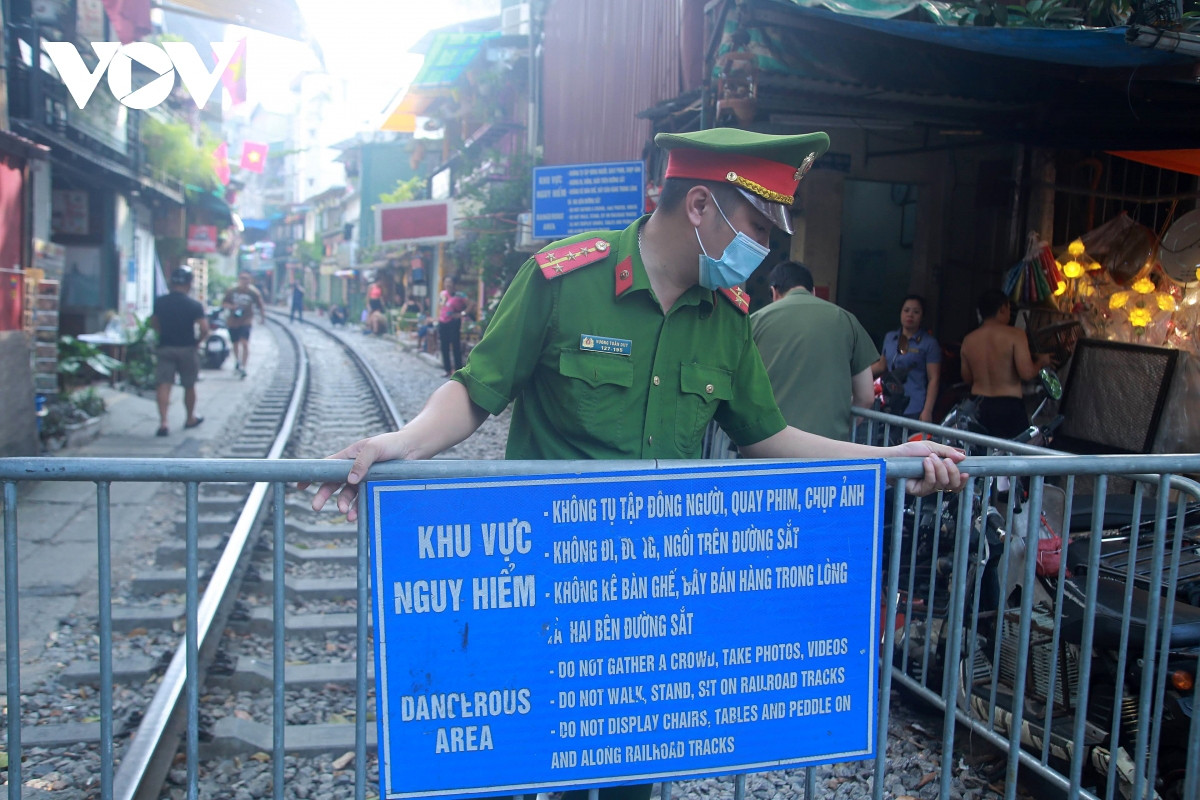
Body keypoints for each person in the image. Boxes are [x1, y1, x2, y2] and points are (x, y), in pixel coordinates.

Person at [307, 129, 965, 800]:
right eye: (757, 226)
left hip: (646, 609)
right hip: (544, 590)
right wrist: (399, 443)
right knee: (515, 767)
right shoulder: (564, 278)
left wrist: (889, 458)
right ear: (701, 207)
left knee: (628, 781)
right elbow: (477, 392)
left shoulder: (728, 318)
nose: (765, 251)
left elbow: (767, 437)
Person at [750, 261, 878, 441]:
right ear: (814, 291)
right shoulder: (845, 320)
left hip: (766, 445)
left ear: (774, 291)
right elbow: (866, 397)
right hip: (828, 448)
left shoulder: (755, 321)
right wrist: (840, 428)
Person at [959, 289, 1054, 439]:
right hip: (1008, 407)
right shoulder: (1015, 335)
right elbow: (1027, 373)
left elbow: (967, 378)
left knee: (980, 455)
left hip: (978, 405)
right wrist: (1042, 361)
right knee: (1012, 457)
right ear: (1003, 308)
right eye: (1009, 308)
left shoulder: (969, 340)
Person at [149, 267, 209, 437]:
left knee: (163, 384)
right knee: (189, 385)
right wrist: (197, 342)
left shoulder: (160, 302)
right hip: (187, 349)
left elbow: (154, 322)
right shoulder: (194, 305)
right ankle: (190, 418)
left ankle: (163, 423)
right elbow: (204, 328)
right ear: (189, 284)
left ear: (171, 283)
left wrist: (162, 333)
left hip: (165, 347)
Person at [872, 294, 941, 422]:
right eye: (906, 310)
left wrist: (927, 410)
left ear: (922, 316)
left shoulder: (929, 343)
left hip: (913, 405)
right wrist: (856, 373)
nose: (910, 315)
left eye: (916, 312)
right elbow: (882, 365)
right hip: (889, 403)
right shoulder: (890, 338)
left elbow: (934, 379)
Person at [221, 272, 265, 378]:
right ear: (239, 280)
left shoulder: (253, 292)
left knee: (244, 343)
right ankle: (238, 361)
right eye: (243, 279)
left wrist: (263, 317)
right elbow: (224, 303)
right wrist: (232, 307)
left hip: (246, 320)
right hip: (233, 321)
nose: (245, 282)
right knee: (235, 343)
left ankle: (244, 367)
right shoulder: (232, 291)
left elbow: (260, 305)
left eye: (247, 279)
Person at [436, 275, 468, 377]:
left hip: (453, 322)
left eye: (449, 282)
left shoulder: (460, 295)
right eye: (446, 282)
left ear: (454, 284)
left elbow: (471, 305)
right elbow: (440, 306)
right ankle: (447, 370)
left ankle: (458, 370)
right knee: (444, 346)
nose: (447, 284)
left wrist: (461, 314)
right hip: (443, 322)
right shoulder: (442, 294)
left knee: (455, 346)